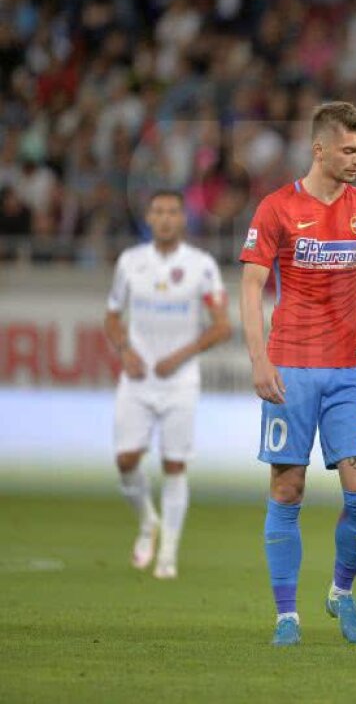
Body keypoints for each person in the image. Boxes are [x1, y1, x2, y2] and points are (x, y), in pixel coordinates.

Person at [239, 102, 356, 647]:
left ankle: (341, 593)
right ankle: (286, 617)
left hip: (348, 369)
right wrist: (259, 358)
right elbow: (251, 287)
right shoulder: (277, 209)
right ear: (319, 149)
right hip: (291, 367)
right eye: (349, 150)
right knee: (288, 486)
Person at [104, 190, 231, 580]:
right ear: (148, 217)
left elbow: (222, 326)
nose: (164, 219)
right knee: (126, 460)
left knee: (173, 465)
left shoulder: (202, 266)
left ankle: (168, 555)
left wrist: (180, 355)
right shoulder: (130, 262)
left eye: (172, 212)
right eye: (157, 211)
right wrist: (125, 350)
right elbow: (111, 317)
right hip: (137, 378)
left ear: (183, 219)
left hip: (180, 382)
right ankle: (147, 523)